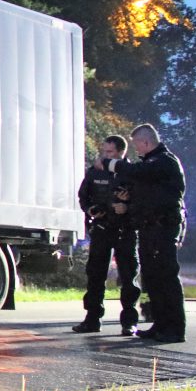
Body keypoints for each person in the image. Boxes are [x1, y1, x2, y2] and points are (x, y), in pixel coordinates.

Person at [100, 123, 187, 344]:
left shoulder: (164, 161)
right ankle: (160, 323)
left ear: (146, 142)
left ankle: (175, 328)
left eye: (137, 144)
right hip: (149, 228)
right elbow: (142, 185)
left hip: (163, 227)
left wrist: (111, 164)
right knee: (152, 278)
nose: (136, 149)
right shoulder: (150, 162)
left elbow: (139, 173)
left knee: (166, 277)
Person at [72, 135, 139, 334]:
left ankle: (129, 322)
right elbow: (83, 196)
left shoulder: (132, 173)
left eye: (110, 153)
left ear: (121, 153)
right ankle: (92, 319)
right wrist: (91, 210)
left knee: (128, 276)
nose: (105, 156)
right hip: (102, 228)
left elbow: (144, 201)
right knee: (95, 274)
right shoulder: (94, 172)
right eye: (104, 152)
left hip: (125, 229)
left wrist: (127, 207)